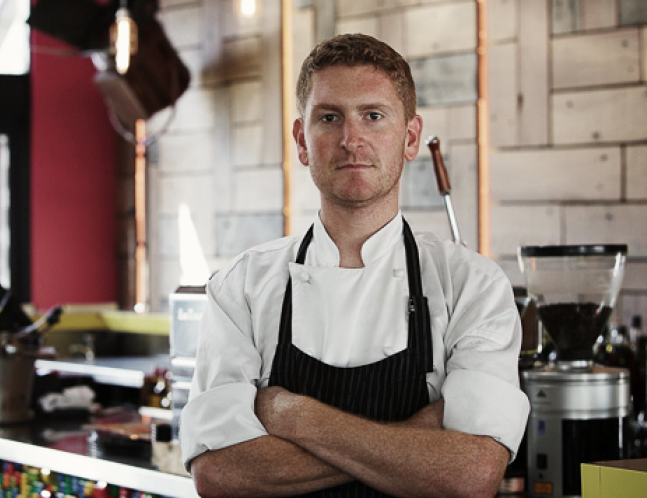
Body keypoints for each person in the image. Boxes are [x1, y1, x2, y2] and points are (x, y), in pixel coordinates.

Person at [180, 34, 530, 498]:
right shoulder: (243, 286)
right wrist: (416, 437)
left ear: (410, 138)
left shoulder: (471, 285)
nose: (351, 140)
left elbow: (469, 475)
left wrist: (292, 416)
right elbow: (220, 474)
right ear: (302, 141)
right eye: (329, 118)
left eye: (373, 116)